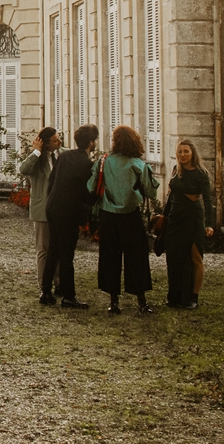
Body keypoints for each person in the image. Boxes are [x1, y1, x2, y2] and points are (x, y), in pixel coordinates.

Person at [87, 126, 158, 314]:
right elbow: (151, 191)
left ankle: (114, 301)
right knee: (137, 257)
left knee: (110, 256)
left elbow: (91, 186)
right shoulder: (138, 164)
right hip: (131, 215)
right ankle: (141, 301)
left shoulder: (104, 162)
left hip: (108, 215)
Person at [43, 125, 99, 309]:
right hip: (68, 211)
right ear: (91, 142)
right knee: (67, 255)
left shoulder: (65, 156)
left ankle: (45, 291)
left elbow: (52, 181)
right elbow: (87, 193)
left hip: (53, 206)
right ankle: (68, 296)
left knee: (53, 251)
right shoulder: (87, 164)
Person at [163, 139, 217, 309]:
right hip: (175, 218)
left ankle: (193, 296)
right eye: (180, 151)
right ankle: (175, 296)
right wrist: (163, 218)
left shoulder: (201, 173)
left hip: (193, 217)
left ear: (193, 153)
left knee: (195, 257)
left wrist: (209, 224)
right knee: (174, 257)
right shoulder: (175, 171)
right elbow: (171, 197)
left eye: (186, 151)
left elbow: (208, 200)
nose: (183, 155)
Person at [17, 128, 59, 303]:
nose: (59, 142)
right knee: (43, 249)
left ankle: (59, 283)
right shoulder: (36, 159)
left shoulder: (62, 155)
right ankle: (44, 285)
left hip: (58, 209)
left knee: (58, 248)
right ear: (46, 142)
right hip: (42, 208)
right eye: (55, 140)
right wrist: (36, 151)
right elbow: (23, 169)